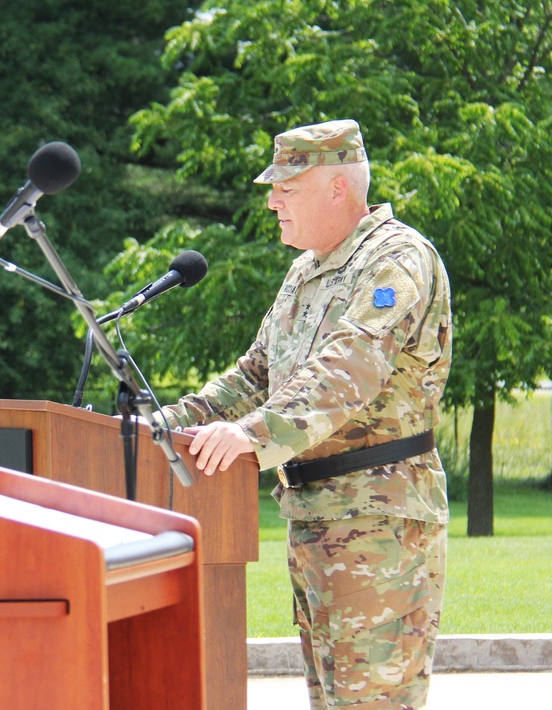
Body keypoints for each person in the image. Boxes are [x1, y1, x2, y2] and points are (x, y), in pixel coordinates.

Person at [156, 119, 452, 709]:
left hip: (377, 518)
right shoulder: (306, 273)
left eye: (286, 189)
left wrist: (248, 435)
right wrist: (161, 423)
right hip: (316, 517)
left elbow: (348, 371)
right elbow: (254, 376)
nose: (271, 201)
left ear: (337, 188)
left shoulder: (396, 261)